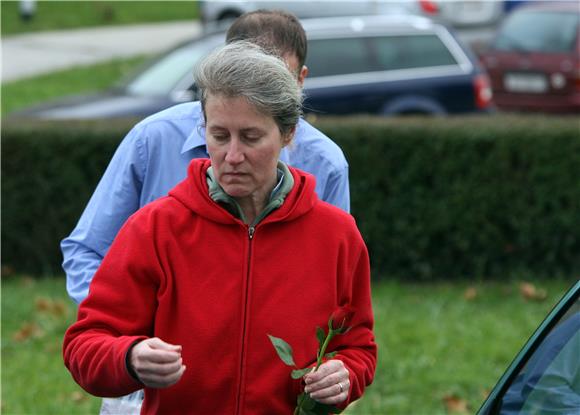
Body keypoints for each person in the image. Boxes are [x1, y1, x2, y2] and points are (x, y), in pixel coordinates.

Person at [63, 41, 376, 414]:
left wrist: (344, 375)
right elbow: (84, 344)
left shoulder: (337, 235)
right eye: (219, 135)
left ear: (289, 133)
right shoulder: (155, 228)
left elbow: (358, 346)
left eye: (251, 137)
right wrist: (129, 358)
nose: (232, 156)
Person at [61, 9, 350, 306]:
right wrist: (118, 333)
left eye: (276, 84)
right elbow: (89, 250)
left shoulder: (326, 163)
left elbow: (333, 282)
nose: (234, 156)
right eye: (220, 136)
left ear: (300, 81)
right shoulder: (152, 139)